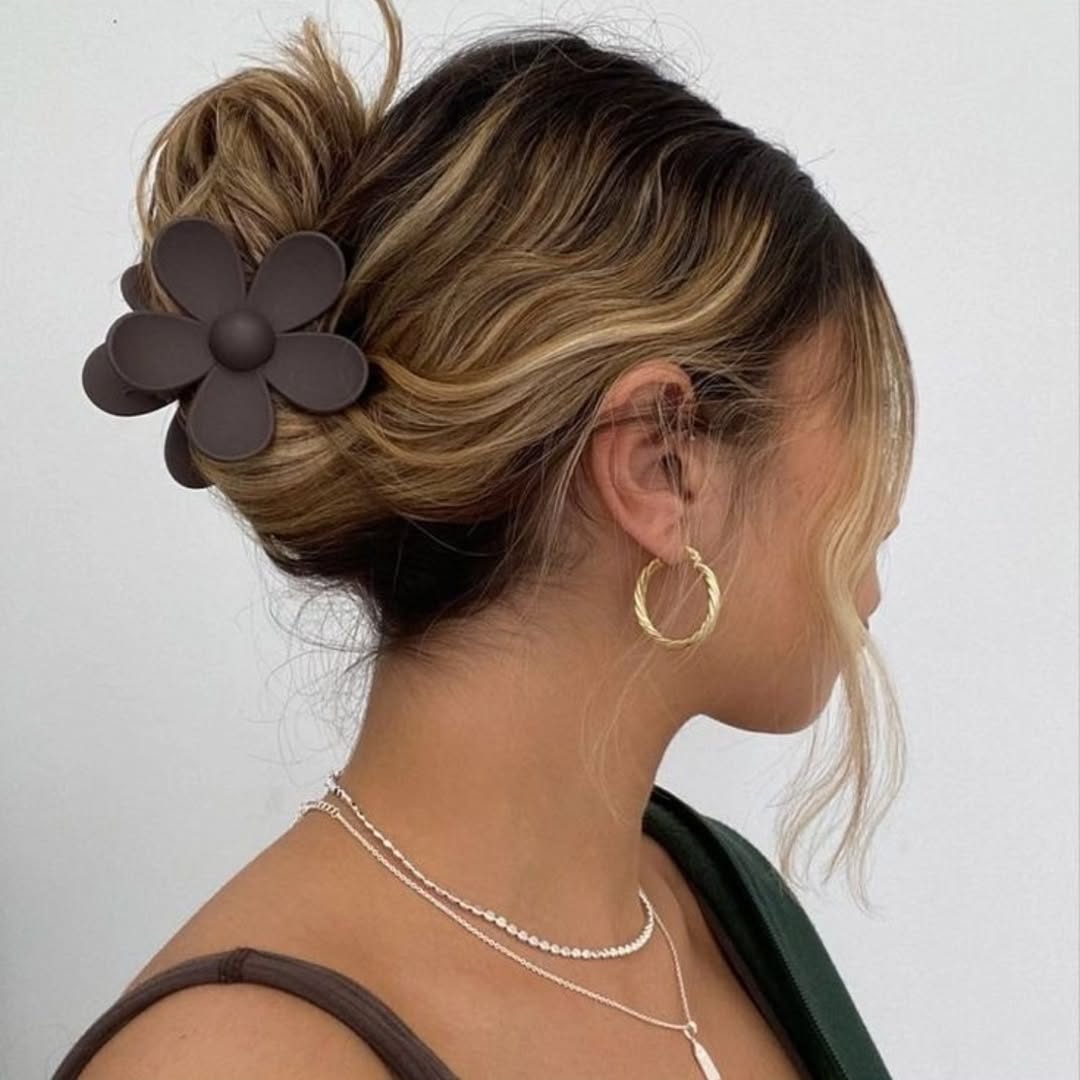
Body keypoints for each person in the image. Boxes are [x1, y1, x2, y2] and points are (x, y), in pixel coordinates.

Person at [54, 1, 914, 1076]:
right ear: (662, 465)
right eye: (863, 413)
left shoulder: (721, 903)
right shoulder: (235, 1062)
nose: (884, 512)